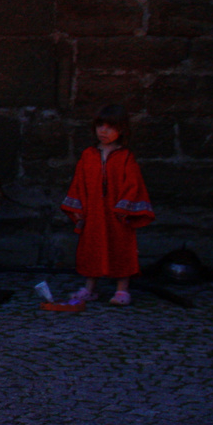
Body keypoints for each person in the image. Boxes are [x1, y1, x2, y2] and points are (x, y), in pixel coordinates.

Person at [62, 104, 154, 306]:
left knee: (121, 247)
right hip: (93, 211)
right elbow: (79, 181)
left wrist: (124, 208)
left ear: (121, 130)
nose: (103, 131)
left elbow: (133, 184)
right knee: (91, 246)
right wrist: (79, 208)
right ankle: (90, 287)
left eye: (110, 127)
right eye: (100, 126)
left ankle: (122, 289)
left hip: (116, 214)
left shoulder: (126, 157)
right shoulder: (88, 155)